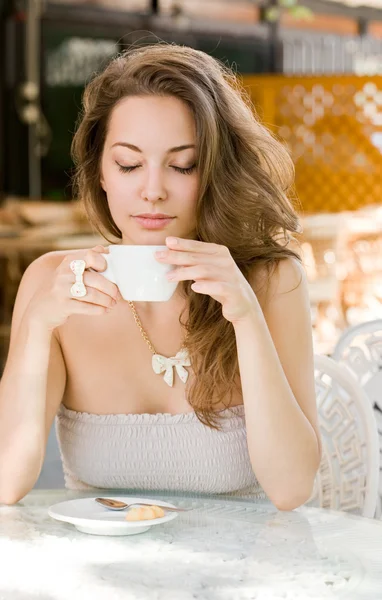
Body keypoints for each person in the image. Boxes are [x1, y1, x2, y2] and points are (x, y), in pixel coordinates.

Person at [0, 43, 321, 507]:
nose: (152, 191)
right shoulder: (53, 282)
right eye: (129, 165)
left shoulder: (271, 282)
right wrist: (34, 328)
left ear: (214, 172)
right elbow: (5, 484)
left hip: (246, 572)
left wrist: (247, 319)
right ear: (101, 173)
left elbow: (292, 490)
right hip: (106, 574)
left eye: (182, 165)